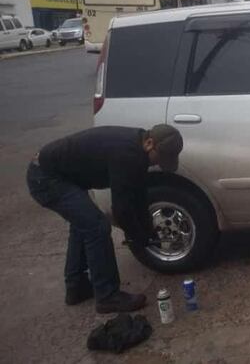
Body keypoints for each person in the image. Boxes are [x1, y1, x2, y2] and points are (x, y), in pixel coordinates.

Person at [26, 125, 183, 313]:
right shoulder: (127, 154)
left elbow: (138, 195)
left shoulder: (139, 149)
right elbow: (121, 208)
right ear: (150, 144)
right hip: (46, 179)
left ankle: (76, 287)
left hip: (60, 175)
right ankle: (107, 296)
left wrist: (148, 230)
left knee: (83, 224)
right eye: (160, 158)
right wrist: (137, 236)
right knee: (97, 226)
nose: (158, 164)